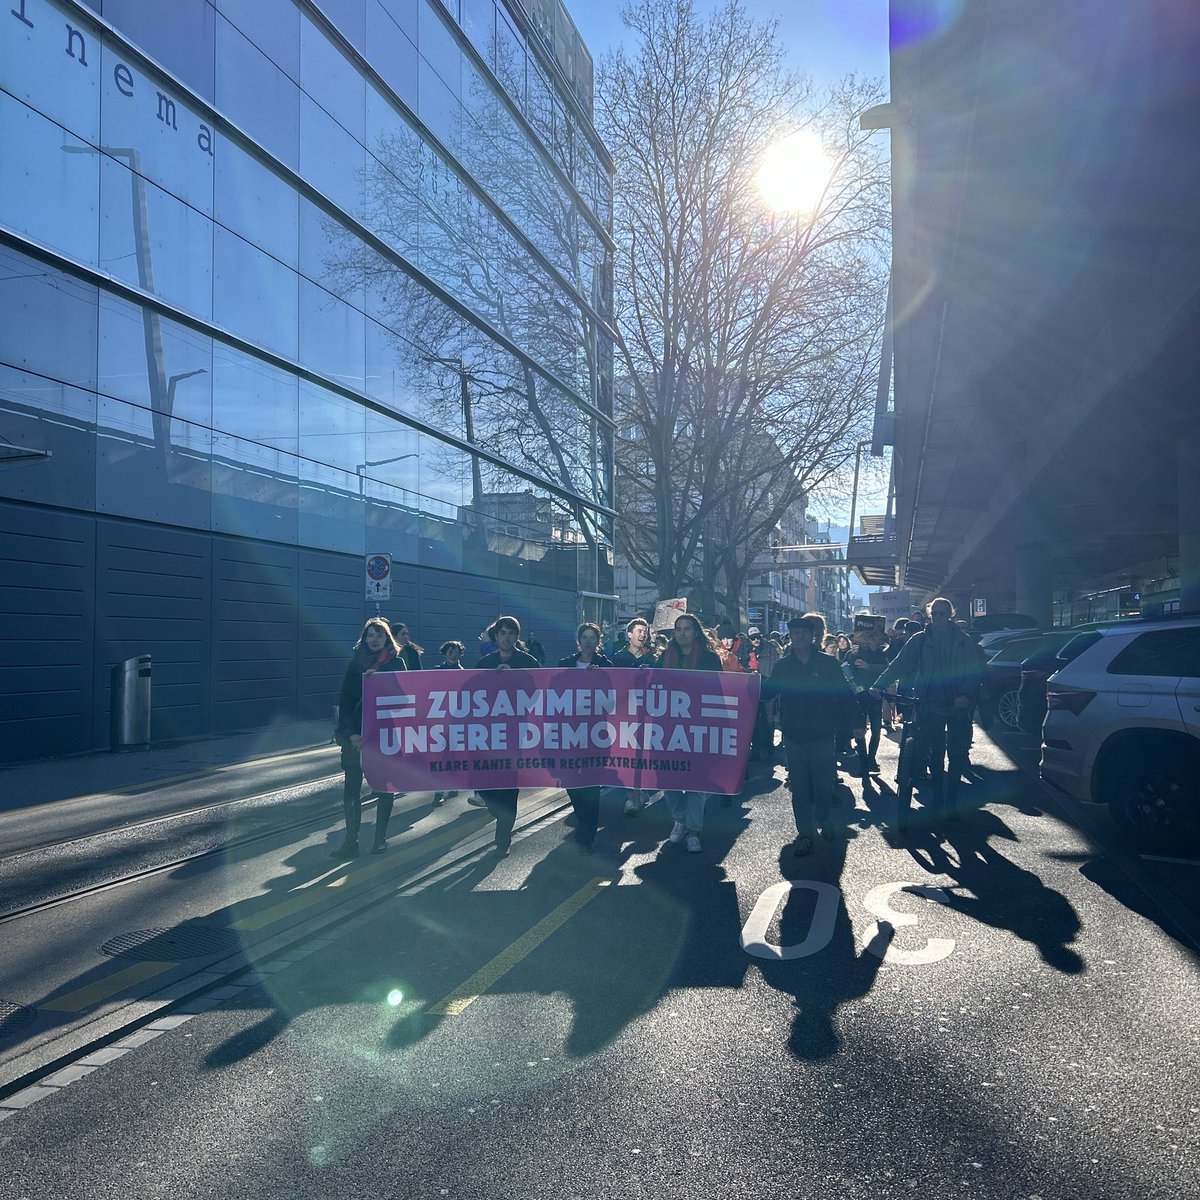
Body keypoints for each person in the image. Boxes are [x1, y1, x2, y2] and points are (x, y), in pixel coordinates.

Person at [871, 597, 985, 821]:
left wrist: (965, 695)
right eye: (934, 614)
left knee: (956, 754)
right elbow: (900, 664)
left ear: (950, 615)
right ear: (929, 615)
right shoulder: (920, 640)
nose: (938, 617)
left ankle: (951, 802)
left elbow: (974, 672)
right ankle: (938, 799)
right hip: (930, 703)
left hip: (957, 704)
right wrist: (879, 684)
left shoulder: (963, 641)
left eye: (942, 613)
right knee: (935, 754)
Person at [763, 615, 864, 856]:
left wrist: (858, 721)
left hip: (823, 733)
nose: (799, 637)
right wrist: (745, 684)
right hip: (793, 735)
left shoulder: (828, 664)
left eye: (803, 633)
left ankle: (824, 818)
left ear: (812, 636)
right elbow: (767, 692)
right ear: (790, 637)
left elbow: (844, 694)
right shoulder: (783, 666)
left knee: (823, 784)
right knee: (799, 788)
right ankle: (805, 834)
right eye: (795, 633)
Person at [332, 618, 405, 859]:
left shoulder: (396, 663)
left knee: (384, 787)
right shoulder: (357, 662)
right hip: (356, 738)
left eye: (379, 635)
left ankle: (379, 839)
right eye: (370, 635)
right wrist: (351, 733)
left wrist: (380, 681)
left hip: (384, 737)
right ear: (364, 639)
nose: (374, 639)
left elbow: (404, 700)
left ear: (387, 639)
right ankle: (350, 841)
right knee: (351, 789)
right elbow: (346, 701)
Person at [655, 614, 723, 853]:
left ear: (695, 633)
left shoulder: (709, 658)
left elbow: (717, 691)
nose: (682, 633)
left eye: (686, 629)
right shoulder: (664, 657)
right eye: (678, 629)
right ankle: (679, 819)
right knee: (668, 778)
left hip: (698, 727)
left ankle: (693, 831)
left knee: (696, 780)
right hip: (669, 728)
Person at [475, 615, 541, 856]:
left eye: (511, 633)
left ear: (516, 637)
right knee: (483, 785)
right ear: (495, 637)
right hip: (488, 735)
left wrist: (514, 677)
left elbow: (538, 693)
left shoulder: (528, 662)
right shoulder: (485, 663)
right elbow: (471, 693)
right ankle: (496, 811)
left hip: (516, 735)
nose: (506, 637)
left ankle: (502, 841)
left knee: (509, 788)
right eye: (502, 632)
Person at [556, 622, 614, 853]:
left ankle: (586, 836)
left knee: (591, 786)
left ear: (598, 641)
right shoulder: (565, 665)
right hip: (569, 733)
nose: (588, 641)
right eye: (585, 637)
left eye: (592, 637)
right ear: (578, 640)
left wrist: (599, 678)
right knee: (571, 782)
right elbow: (555, 695)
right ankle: (583, 822)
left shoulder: (606, 666)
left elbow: (611, 703)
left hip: (595, 734)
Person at [612, 617, 656, 815]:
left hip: (648, 714)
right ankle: (632, 796)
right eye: (639, 631)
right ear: (629, 634)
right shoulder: (618, 658)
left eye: (645, 631)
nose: (643, 634)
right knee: (628, 756)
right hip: (624, 716)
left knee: (644, 755)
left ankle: (639, 792)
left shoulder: (653, 658)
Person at [844, 616, 889, 783]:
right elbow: (845, 669)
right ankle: (863, 761)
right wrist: (851, 656)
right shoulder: (853, 652)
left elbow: (887, 669)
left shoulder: (880, 653)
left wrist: (868, 666)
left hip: (875, 695)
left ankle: (871, 759)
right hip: (859, 696)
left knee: (876, 729)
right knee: (859, 729)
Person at [738, 626, 780, 762]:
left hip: (768, 689)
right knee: (753, 722)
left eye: (757, 637)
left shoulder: (770, 649)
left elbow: (775, 667)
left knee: (768, 720)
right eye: (753, 638)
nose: (756, 640)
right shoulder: (746, 650)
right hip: (752, 690)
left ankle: (768, 747)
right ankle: (756, 750)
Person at [432, 641, 466, 807]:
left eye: (457, 651)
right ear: (444, 654)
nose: (453, 654)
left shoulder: (464, 674)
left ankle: (449, 786)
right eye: (450, 651)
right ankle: (439, 792)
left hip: (457, 721)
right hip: (440, 721)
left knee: (452, 756)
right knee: (442, 757)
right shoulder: (437, 672)